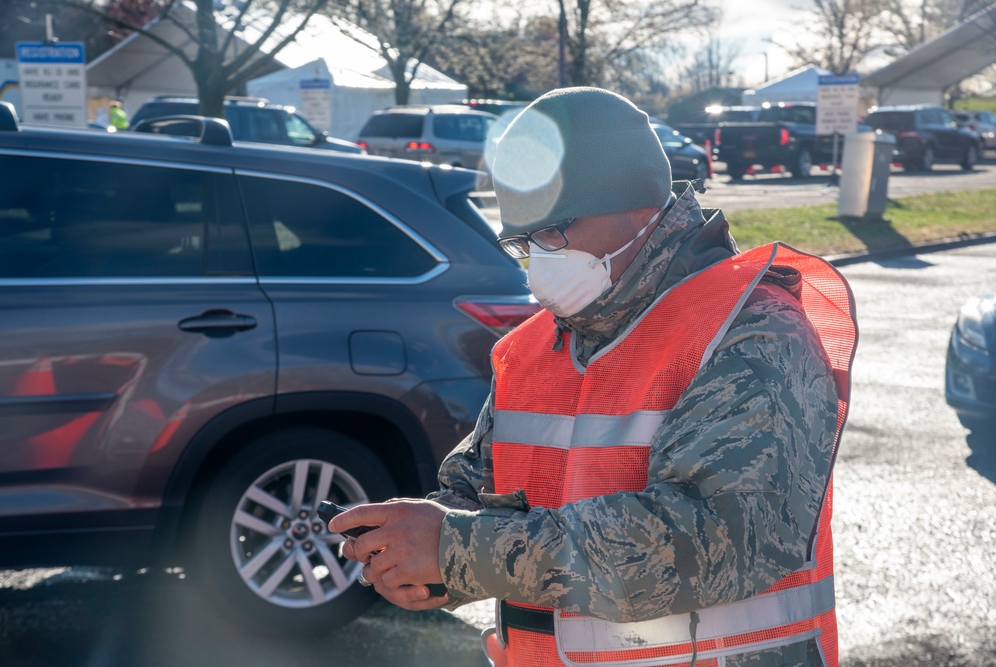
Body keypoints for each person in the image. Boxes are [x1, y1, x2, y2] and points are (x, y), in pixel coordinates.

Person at [331, 87, 858, 667]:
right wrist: (419, 558)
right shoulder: (536, 348)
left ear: (637, 208)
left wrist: (458, 548)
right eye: (521, 242)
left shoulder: (751, 331)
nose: (539, 260)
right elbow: (479, 493)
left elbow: (720, 541)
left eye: (553, 231)